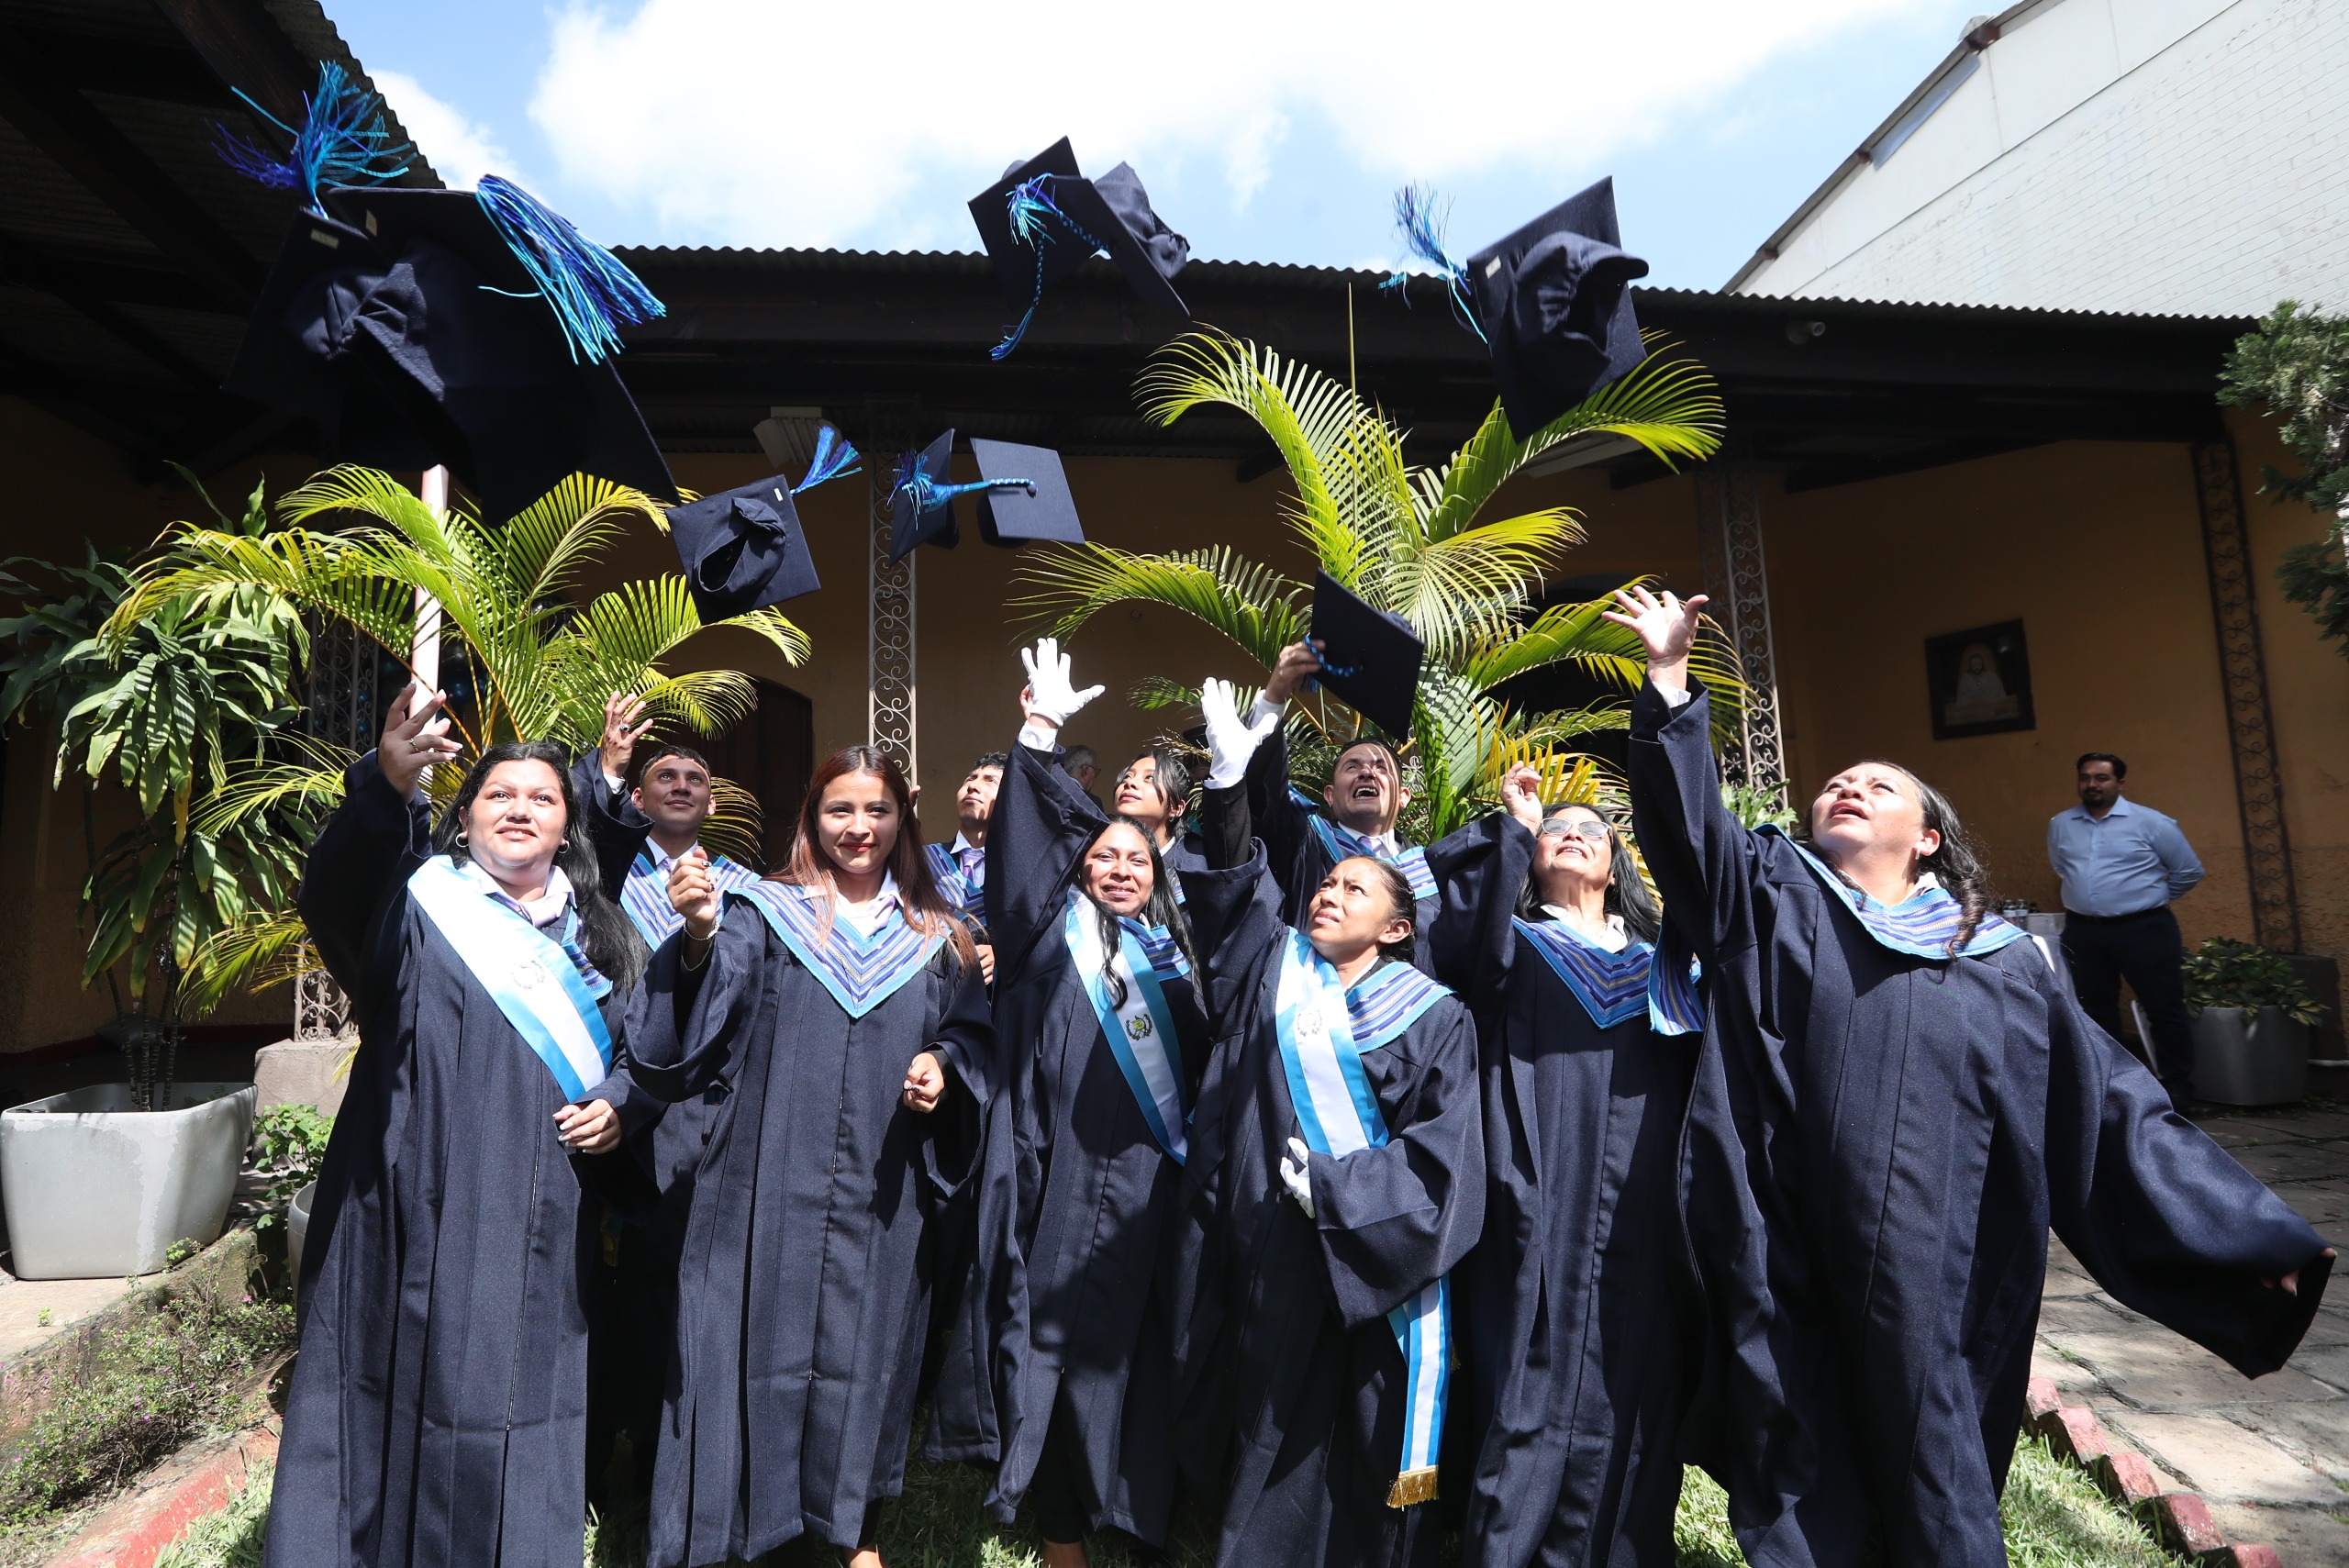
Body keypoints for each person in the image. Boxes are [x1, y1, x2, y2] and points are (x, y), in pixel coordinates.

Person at [1609, 585, 2333, 1568]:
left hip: (1934, 1259)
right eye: (1834, 782)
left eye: (1878, 783)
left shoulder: (1993, 959)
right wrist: (1667, 680)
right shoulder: (1774, 895)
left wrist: (2245, 1235)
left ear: (1929, 838)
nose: (1846, 787)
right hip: (1785, 1240)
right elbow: (1688, 836)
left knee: (1932, 1452)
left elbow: (2111, 1109)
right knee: (1796, 1441)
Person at [268, 683, 647, 1568]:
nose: (520, 809)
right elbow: (336, 893)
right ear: (466, 815)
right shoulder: (415, 905)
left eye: (543, 798)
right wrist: (384, 787)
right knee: (386, 1379)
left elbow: (642, 1053)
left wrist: (621, 1108)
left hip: (537, 1211)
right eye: (499, 794)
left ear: (568, 825)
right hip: (406, 1194)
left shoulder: (600, 938)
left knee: (518, 1389)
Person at [625, 745, 993, 1568]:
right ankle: (751, 1521)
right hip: (766, 1170)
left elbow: (971, 1034)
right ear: (812, 818)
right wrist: (696, 935)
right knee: (759, 1331)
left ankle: (851, 1525)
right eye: (840, 810)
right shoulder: (764, 910)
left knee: (868, 1344)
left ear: (903, 820)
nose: (859, 828)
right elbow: (706, 1011)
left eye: (878, 811)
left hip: (881, 1181)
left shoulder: (936, 934)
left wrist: (945, 1065)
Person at [1170, 677, 1484, 1568]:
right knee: (1271, 1427)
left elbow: (1445, 1152)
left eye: (1352, 889)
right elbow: (1233, 892)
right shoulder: (1277, 968)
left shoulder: (1434, 1015)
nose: (1328, 895)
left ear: (1395, 926)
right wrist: (1231, 783)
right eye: (1327, 883)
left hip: (1371, 1262)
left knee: (1362, 1440)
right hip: (1275, 1248)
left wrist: (1341, 1188)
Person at [928, 640, 1209, 1566]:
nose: (1121, 867)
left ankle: (1132, 1506)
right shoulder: (1047, 934)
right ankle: (1058, 1524)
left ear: (1159, 868)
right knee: (1043, 1337)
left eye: (1138, 856)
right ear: (1081, 867)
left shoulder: (1180, 955)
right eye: (1103, 854)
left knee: (1141, 1342)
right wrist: (1038, 732)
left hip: (1148, 1182)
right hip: (1054, 1171)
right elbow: (1018, 853)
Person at [1425, 766, 1703, 1568]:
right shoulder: (1510, 943)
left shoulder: (1663, 967)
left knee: (1638, 1362)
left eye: (1593, 830)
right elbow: (1460, 945)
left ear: (1615, 866)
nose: (1572, 832)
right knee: (1527, 1358)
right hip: (1536, 1183)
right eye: (1555, 830)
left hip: (1645, 1199)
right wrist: (1513, 825)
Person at [1241, 639, 1440, 970]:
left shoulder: (1428, 869)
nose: (1366, 772)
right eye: (1353, 766)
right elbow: (1262, 790)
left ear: (1404, 797)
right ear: (1330, 796)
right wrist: (1274, 696)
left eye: (1381, 768)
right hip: (1314, 1008)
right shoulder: (1304, 842)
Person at [2049, 751, 2206, 1102]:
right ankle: (2112, 1088)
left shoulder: (2153, 823)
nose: (2092, 784)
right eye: (2085, 777)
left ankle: (2177, 1088)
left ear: (2120, 783)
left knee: (2163, 1007)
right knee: (2095, 1008)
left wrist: (2148, 897)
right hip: (2084, 930)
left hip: (2144, 928)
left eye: (2101, 778)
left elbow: (2188, 871)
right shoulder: (2061, 823)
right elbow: (2062, 867)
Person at [573, 692, 763, 947]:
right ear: (637, 799)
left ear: (711, 804)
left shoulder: (743, 887)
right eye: (666, 776)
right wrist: (609, 769)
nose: (682, 787)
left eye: (695, 779)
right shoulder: (603, 865)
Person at [929, 751, 1008, 983]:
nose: (973, 787)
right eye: (969, 779)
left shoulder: (1018, 872)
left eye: (990, 781)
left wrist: (1002, 955)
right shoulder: (924, 861)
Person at [1110, 743, 1208, 889]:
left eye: (1149, 778)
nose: (1130, 783)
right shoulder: (1097, 851)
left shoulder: (1195, 864)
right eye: (1127, 776)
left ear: (1176, 807)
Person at [1060, 743, 1105, 810]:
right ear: (1085, 771)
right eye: (1095, 771)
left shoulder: (1049, 789)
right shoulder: (1092, 803)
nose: (1095, 779)